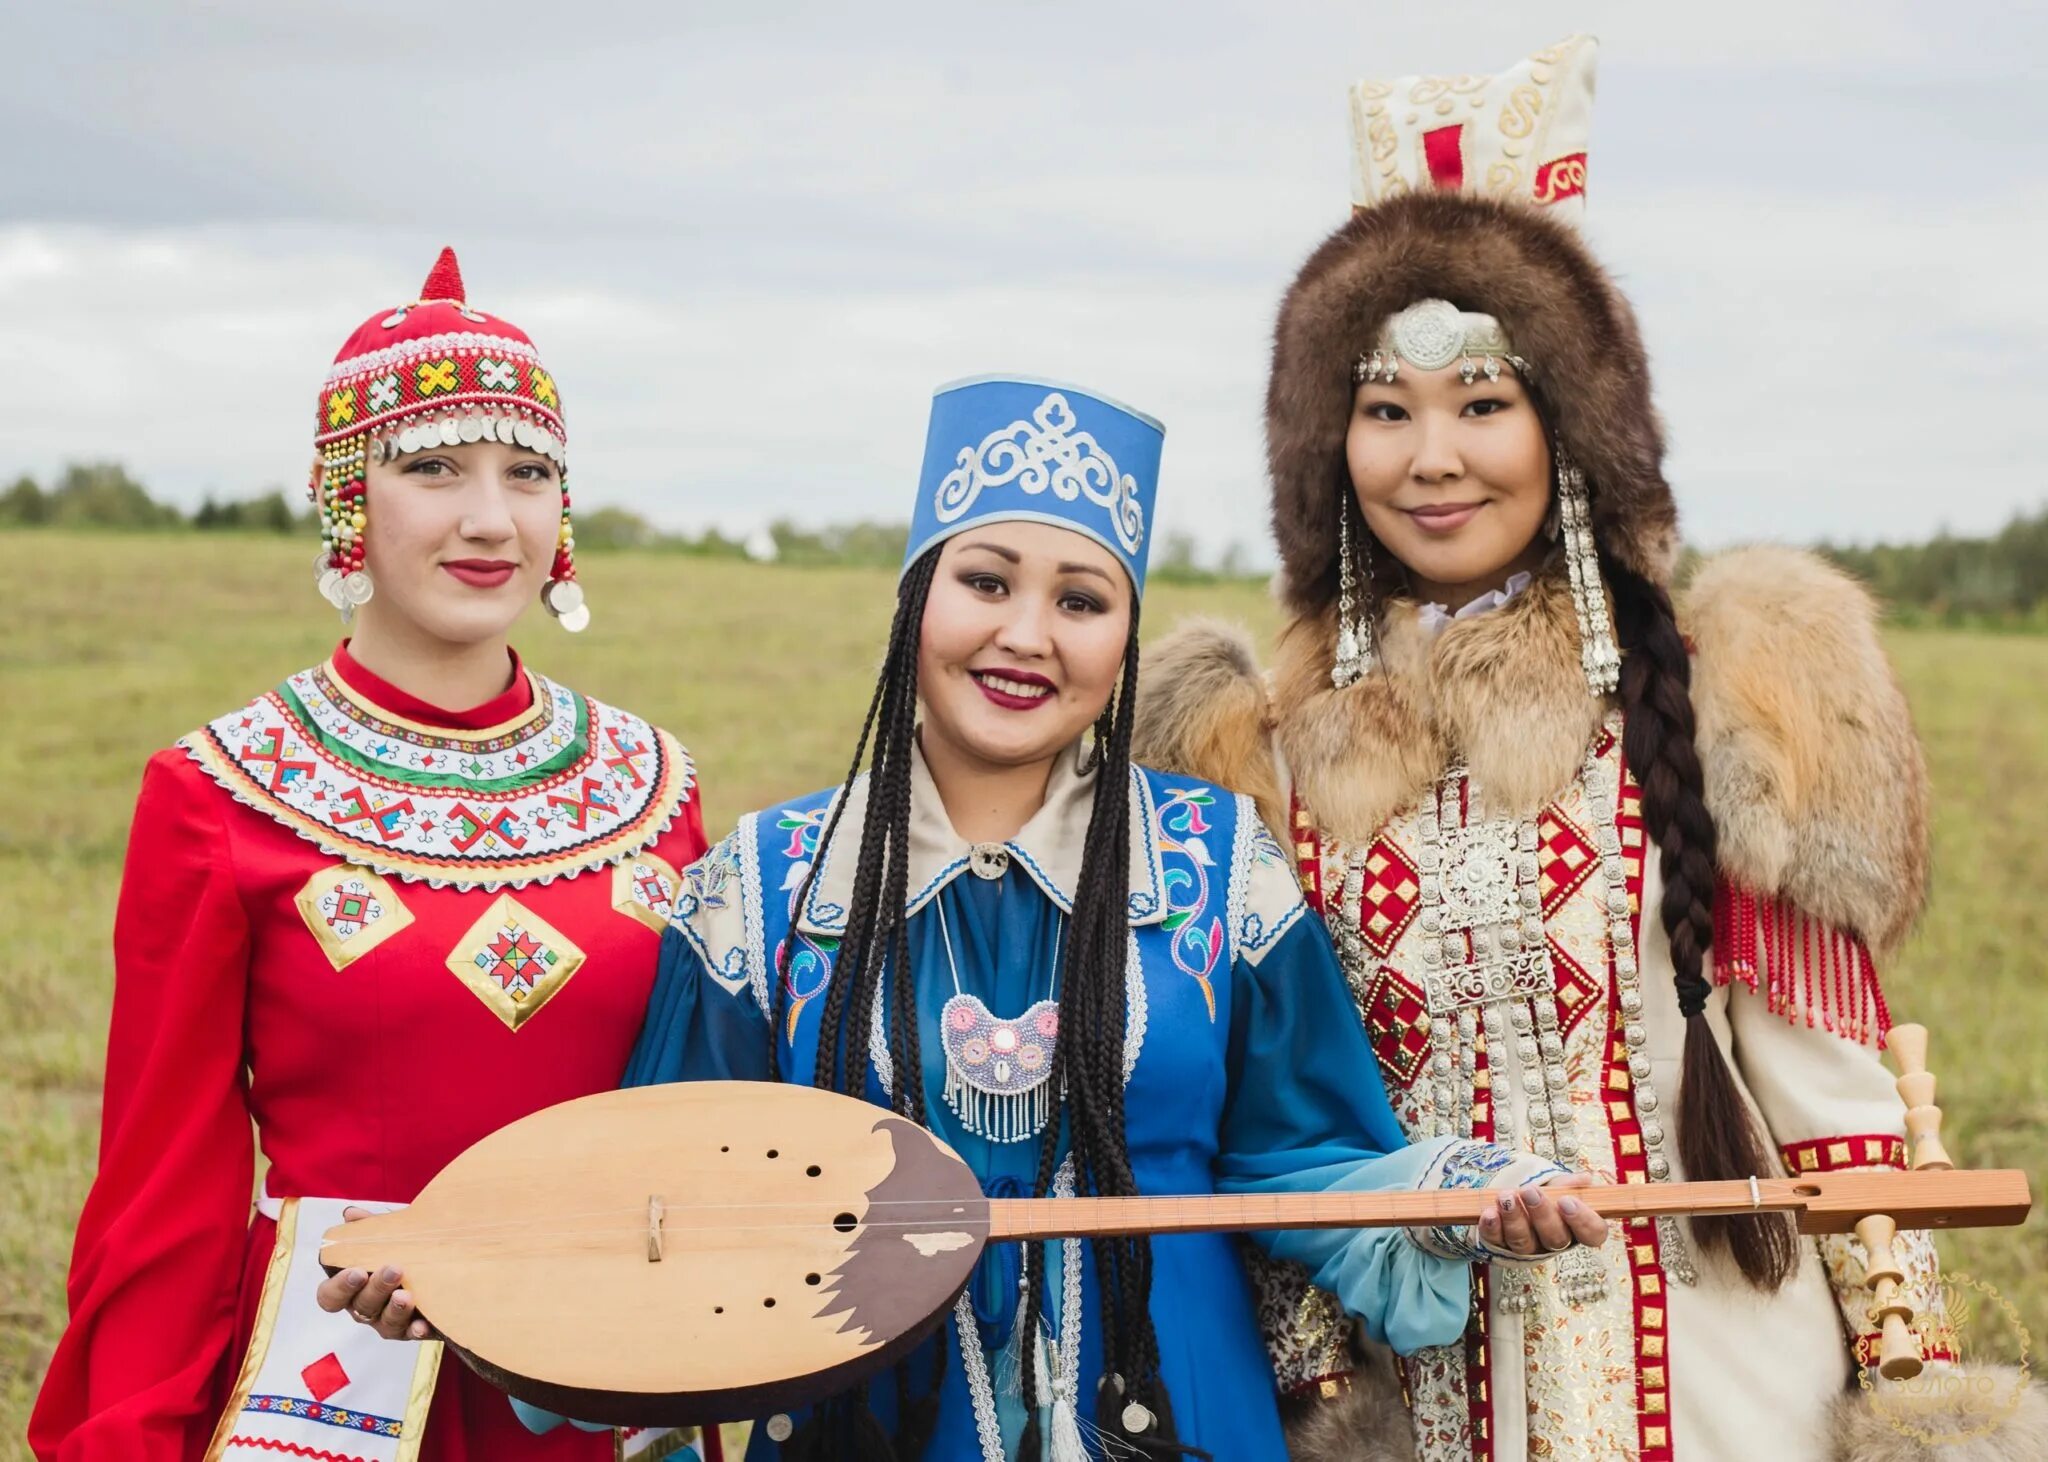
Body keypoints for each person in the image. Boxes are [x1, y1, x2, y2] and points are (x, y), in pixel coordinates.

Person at [1133, 36, 2045, 1462]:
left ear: (1576, 428)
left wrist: (1916, 1392)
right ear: (1328, 445)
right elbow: (1262, 1125)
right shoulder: (1252, 756)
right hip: (1418, 1388)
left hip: (1725, 1380)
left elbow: (1836, 1096)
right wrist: (1318, 1392)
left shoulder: (1721, 688)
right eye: (1386, 410)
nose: (1433, 458)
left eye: (1484, 403)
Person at [606, 375, 1609, 1461]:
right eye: (984, 582)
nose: (1026, 636)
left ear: (1125, 634)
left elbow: (1303, 1155)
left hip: (1182, 1415)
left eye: (1081, 601)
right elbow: (647, 1207)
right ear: (914, 599)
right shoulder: (762, 889)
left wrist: (1461, 1189)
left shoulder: (1218, 866)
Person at [30, 249, 713, 1462]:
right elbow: (162, 1190)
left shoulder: (654, 785)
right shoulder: (218, 792)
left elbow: (698, 1132)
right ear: (348, 496)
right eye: (432, 467)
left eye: (529, 471)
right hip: (340, 1364)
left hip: (599, 1382)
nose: (489, 518)